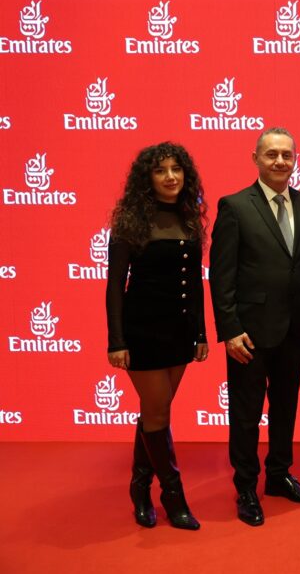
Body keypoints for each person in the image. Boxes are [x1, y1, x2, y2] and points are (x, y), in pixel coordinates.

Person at [209, 127, 300, 527]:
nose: (279, 161)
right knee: (246, 412)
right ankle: (245, 487)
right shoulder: (235, 206)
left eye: (287, 155)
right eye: (271, 154)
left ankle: (278, 475)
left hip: (295, 327)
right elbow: (222, 274)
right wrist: (229, 328)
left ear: (295, 160)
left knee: (286, 406)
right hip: (249, 332)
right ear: (255, 158)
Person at [106, 142, 208, 530]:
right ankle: (172, 495)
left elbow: (194, 282)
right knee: (158, 412)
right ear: (147, 178)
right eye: (160, 170)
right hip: (142, 332)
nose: (170, 176)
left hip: (179, 331)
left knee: (154, 412)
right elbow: (115, 286)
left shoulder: (189, 218)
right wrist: (117, 341)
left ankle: (139, 485)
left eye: (176, 169)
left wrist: (200, 332)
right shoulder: (130, 222)